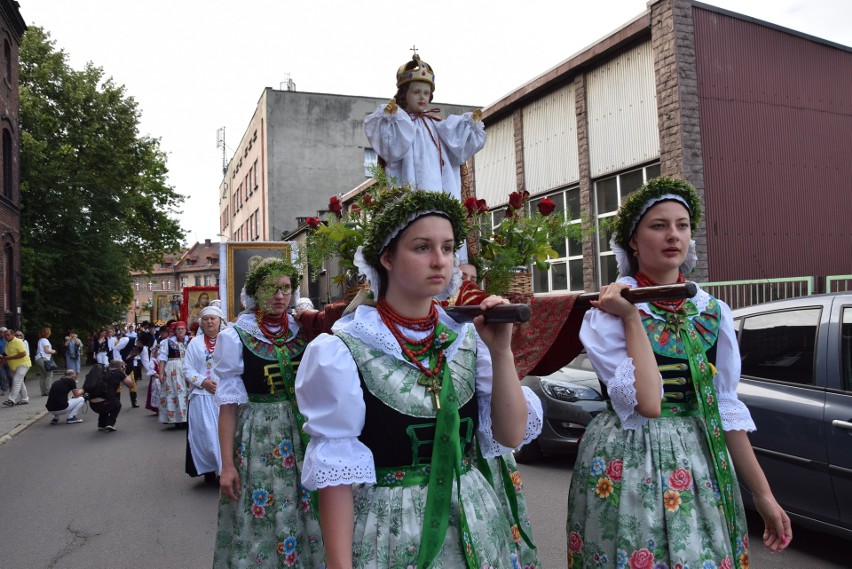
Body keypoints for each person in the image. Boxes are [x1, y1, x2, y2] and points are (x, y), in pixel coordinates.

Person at [295, 190, 542, 568]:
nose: (440, 261)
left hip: (474, 523)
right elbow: (336, 477)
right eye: (422, 247)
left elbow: (510, 436)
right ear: (387, 257)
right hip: (391, 533)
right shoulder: (343, 350)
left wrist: (501, 351)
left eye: (447, 248)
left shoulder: (467, 337)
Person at [565, 178, 791, 568]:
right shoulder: (605, 314)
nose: (674, 236)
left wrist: (763, 494)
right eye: (659, 225)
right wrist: (631, 316)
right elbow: (646, 404)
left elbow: (724, 409)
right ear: (632, 241)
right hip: (629, 454)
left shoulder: (712, 311)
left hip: (699, 459)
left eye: (682, 225)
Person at [212, 257, 324, 568]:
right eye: (271, 288)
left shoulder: (305, 329)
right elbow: (228, 405)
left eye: (286, 288)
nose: (279, 295)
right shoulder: (236, 336)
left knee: (309, 507)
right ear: (255, 292)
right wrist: (226, 465)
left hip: (305, 432)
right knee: (265, 509)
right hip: (260, 437)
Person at [363, 52, 486, 202]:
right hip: (410, 185)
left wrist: (469, 125)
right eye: (416, 92)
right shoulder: (400, 125)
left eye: (426, 93)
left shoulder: (438, 124)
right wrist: (390, 118)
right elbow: (391, 150)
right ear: (404, 95)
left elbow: (457, 145)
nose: (422, 97)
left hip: (439, 188)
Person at [182, 303, 223, 484]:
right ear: (201, 323)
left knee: (223, 435)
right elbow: (187, 369)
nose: (209, 322)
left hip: (225, 397)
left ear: (220, 321)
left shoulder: (229, 340)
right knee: (206, 435)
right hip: (201, 397)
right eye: (205, 319)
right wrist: (203, 382)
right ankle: (209, 469)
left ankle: (224, 471)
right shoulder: (195, 343)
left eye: (212, 318)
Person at [157, 321, 190, 427]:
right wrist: (161, 373)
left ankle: (186, 418)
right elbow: (163, 358)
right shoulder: (167, 342)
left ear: (186, 330)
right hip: (172, 369)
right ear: (175, 331)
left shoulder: (190, 341)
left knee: (186, 393)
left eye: (182, 329)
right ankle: (176, 419)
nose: (180, 330)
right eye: (178, 329)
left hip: (186, 368)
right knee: (173, 393)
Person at [89, 359, 135, 432]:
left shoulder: (100, 371)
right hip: (106, 403)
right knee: (116, 404)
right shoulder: (118, 373)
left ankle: (101, 424)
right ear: (121, 366)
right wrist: (124, 372)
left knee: (106, 399)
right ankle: (110, 423)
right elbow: (130, 385)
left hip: (92, 404)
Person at [2, 328, 31, 406]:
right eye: (5, 335)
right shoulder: (8, 343)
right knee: (20, 382)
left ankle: (11, 400)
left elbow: (23, 353)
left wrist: (8, 357)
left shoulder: (18, 341)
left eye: (8, 335)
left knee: (16, 380)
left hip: (23, 364)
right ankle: (24, 399)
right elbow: (5, 355)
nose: (6, 337)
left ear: (13, 335)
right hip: (15, 366)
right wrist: (2, 358)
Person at [34, 327, 58, 396]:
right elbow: (47, 351)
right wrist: (54, 351)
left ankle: (43, 392)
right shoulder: (45, 340)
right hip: (44, 359)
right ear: (47, 333)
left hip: (38, 359)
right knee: (49, 374)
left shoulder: (40, 340)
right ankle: (48, 391)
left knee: (43, 375)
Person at [0, 326, 8, 396]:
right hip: (1, 360)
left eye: (4, 332)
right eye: (1, 332)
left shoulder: (9, 340)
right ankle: (4, 389)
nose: (2, 333)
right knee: (2, 375)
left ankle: (12, 388)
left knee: (10, 375)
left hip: (9, 359)